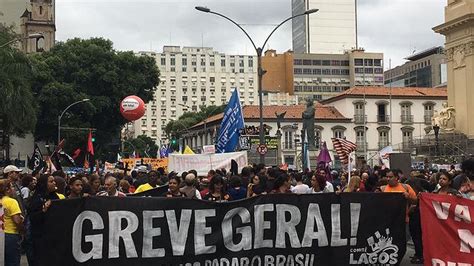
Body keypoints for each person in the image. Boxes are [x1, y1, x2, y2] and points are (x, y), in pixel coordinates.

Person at [27, 174, 59, 265]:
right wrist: (43, 210)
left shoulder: (55, 197)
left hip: (52, 237)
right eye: (51, 181)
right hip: (39, 238)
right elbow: (33, 218)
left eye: (54, 181)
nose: (54, 183)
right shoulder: (37, 199)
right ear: (44, 184)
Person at [0, 179, 24, 266]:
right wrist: (22, 229)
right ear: (7, 189)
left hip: (1, 234)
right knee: (12, 262)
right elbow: (17, 220)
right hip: (11, 235)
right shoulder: (12, 202)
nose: (13, 188)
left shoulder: (1, 202)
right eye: (12, 186)